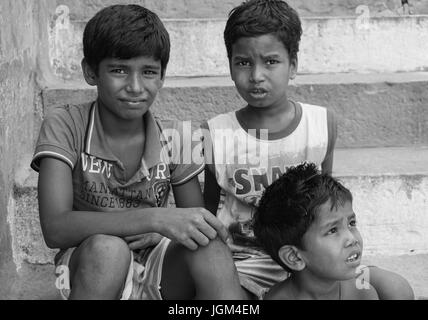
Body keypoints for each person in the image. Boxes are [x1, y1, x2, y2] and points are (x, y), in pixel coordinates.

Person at [202, 0, 414, 300]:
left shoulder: (320, 124)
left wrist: (333, 243)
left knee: (393, 286)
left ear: (294, 65)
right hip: (245, 265)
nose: (257, 75)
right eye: (243, 62)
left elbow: (327, 197)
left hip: (313, 259)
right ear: (230, 65)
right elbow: (211, 210)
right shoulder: (215, 133)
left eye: (271, 61)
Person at [31, 4, 244, 300]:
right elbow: (55, 228)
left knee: (208, 245)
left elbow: (191, 221)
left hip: (157, 266)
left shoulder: (180, 135)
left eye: (148, 72)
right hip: (88, 264)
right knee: (109, 250)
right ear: (91, 72)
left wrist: (163, 229)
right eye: (119, 70)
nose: (135, 86)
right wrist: (154, 218)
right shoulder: (65, 124)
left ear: (162, 77)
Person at [253, 162, 414, 300]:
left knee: (397, 287)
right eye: (332, 230)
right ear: (294, 257)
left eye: (351, 223)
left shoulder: (362, 292)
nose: (352, 238)